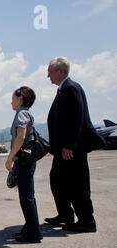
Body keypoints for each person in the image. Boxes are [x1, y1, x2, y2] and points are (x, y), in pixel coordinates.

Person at [45, 57, 97, 233]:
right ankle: (65, 214)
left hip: (72, 150)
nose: (48, 76)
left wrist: (69, 145)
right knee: (58, 181)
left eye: (50, 72)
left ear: (61, 71)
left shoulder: (71, 88)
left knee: (78, 184)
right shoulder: (63, 89)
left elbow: (76, 119)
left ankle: (87, 221)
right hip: (63, 149)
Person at [5, 86, 43, 243]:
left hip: (23, 161)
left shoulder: (22, 113)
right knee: (27, 196)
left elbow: (20, 137)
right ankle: (30, 228)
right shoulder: (24, 113)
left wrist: (10, 158)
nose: (11, 101)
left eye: (13, 98)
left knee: (26, 197)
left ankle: (33, 232)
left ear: (21, 98)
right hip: (25, 161)